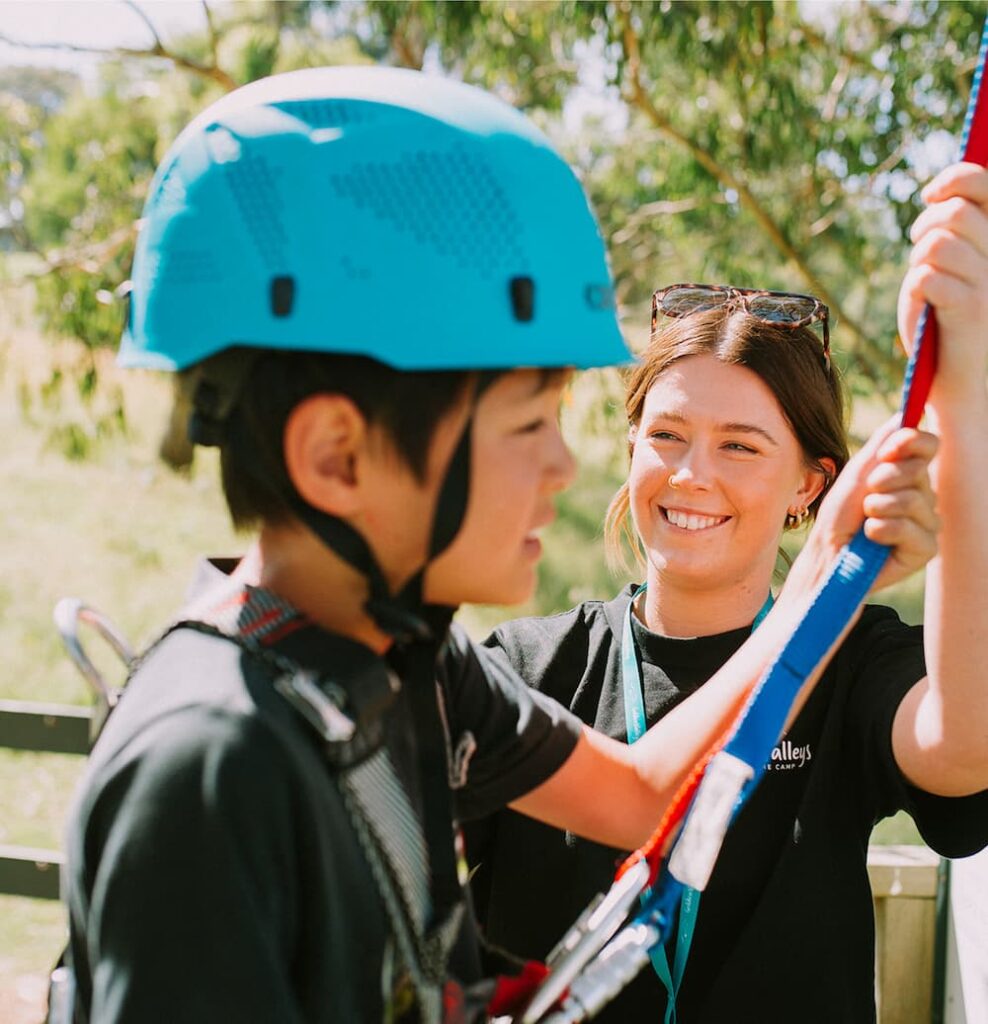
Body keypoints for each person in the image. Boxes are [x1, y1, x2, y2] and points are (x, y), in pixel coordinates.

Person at [60, 66, 941, 1024]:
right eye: (527, 425)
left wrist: (827, 572)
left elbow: (646, 797)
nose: (565, 468)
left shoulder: (407, 670)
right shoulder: (210, 769)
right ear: (336, 456)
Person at [466, 163, 988, 1024]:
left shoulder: (855, 661)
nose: (690, 475)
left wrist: (963, 398)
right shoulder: (526, 667)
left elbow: (964, 747)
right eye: (666, 435)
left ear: (810, 487)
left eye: (741, 447)